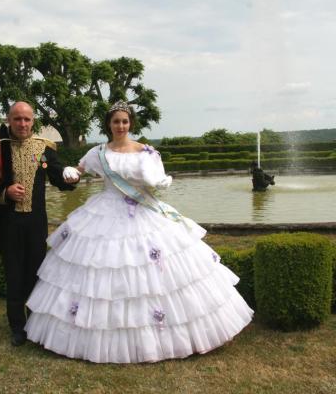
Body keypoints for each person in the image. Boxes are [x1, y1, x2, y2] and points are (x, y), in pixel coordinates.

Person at [24, 100, 253, 363]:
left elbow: (156, 182)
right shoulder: (97, 152)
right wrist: (69, 172)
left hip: (144, 215)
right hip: (105, 213)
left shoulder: (146, 153)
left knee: (158, 276)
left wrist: (158, 181)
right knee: (103, 273)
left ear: (130, 124)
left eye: (124, 121)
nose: (120, 126)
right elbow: (79, 171)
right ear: (108, 125)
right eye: (115, 121)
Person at [0, 101, 79, 346]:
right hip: (10, 223)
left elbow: (54, 172)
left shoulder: (43, 149)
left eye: (27, 119)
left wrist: (70, 176)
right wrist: (4, 192)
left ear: (33, 121)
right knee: (14, 275)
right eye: (17, 119)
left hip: (36, 222)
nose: (22, 124)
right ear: (9, 120)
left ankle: (36, 324)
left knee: (37, 273)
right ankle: (17, 327)